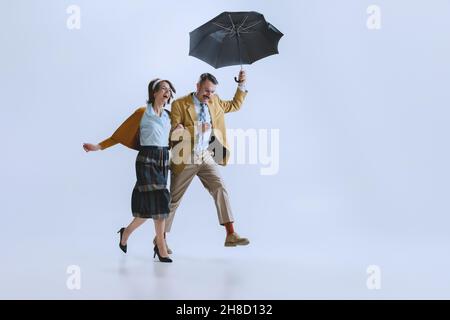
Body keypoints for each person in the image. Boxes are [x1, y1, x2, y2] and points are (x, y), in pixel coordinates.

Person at [83, 78, 178, 263]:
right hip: (147, 159)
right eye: (164, 89)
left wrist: (179, 130)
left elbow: (172, 138)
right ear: (154, 92)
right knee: (161, 200)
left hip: (163, 159)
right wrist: (98, 146)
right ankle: (161, 246)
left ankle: (125, 233)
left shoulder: (169, 116)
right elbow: (119, 135)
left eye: (169, 90)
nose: (167, 93)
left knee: (148, 210)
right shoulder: (143, 112)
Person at [165, 70, 250, 249]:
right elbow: (173, 134)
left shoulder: (215, 101)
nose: (208, 95)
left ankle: (230, 234)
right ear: (197, 86)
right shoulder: (180, 104)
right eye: (205, 91)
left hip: (206, 154)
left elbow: (235, 105)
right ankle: (160, 240)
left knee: (220, 187)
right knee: (173, 200)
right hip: (185, 156)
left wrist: (241, 84)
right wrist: (196, 129)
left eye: (211, 91)